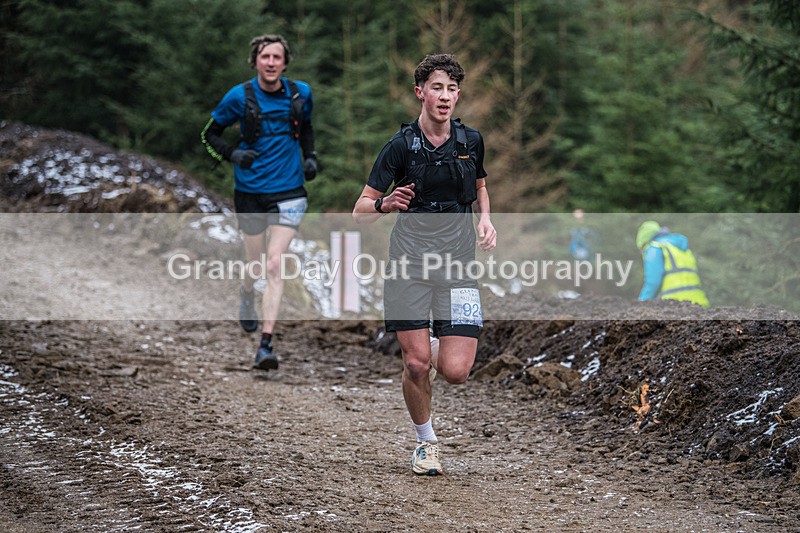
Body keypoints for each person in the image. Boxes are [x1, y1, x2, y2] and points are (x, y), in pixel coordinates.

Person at [352, 54, 497, 475]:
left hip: (458, 266)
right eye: (437, 87)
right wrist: (384, 203)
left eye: (452, 89)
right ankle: (425, 442)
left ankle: (430, 342)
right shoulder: (400, 147)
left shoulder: (471, 142)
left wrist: (485, 220)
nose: (445, 96)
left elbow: (482, 188)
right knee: (416, 364)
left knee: (455, 371)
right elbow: (359, 209)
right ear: (421, 92)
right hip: (408, 264)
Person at [201, 34, 317, 371]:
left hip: (290, 190)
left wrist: (310, 157)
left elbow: (306, 127)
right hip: (250, 190)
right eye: (265, 56)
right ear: (255, 61)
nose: (270, 62)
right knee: (255, 264)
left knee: (274, 263)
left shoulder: (300, 93)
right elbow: (209, 134)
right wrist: (233, 153)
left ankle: (265, 345)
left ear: (284, 62)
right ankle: (247, 292)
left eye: (276, 57)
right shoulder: (239, 96)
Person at [636, 220, 709, 308]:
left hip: (674, 305)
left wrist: (641, 304)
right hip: (699, 303)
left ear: (645, 242)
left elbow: (653, 282)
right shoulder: (679, 248)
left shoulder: (654, 248)